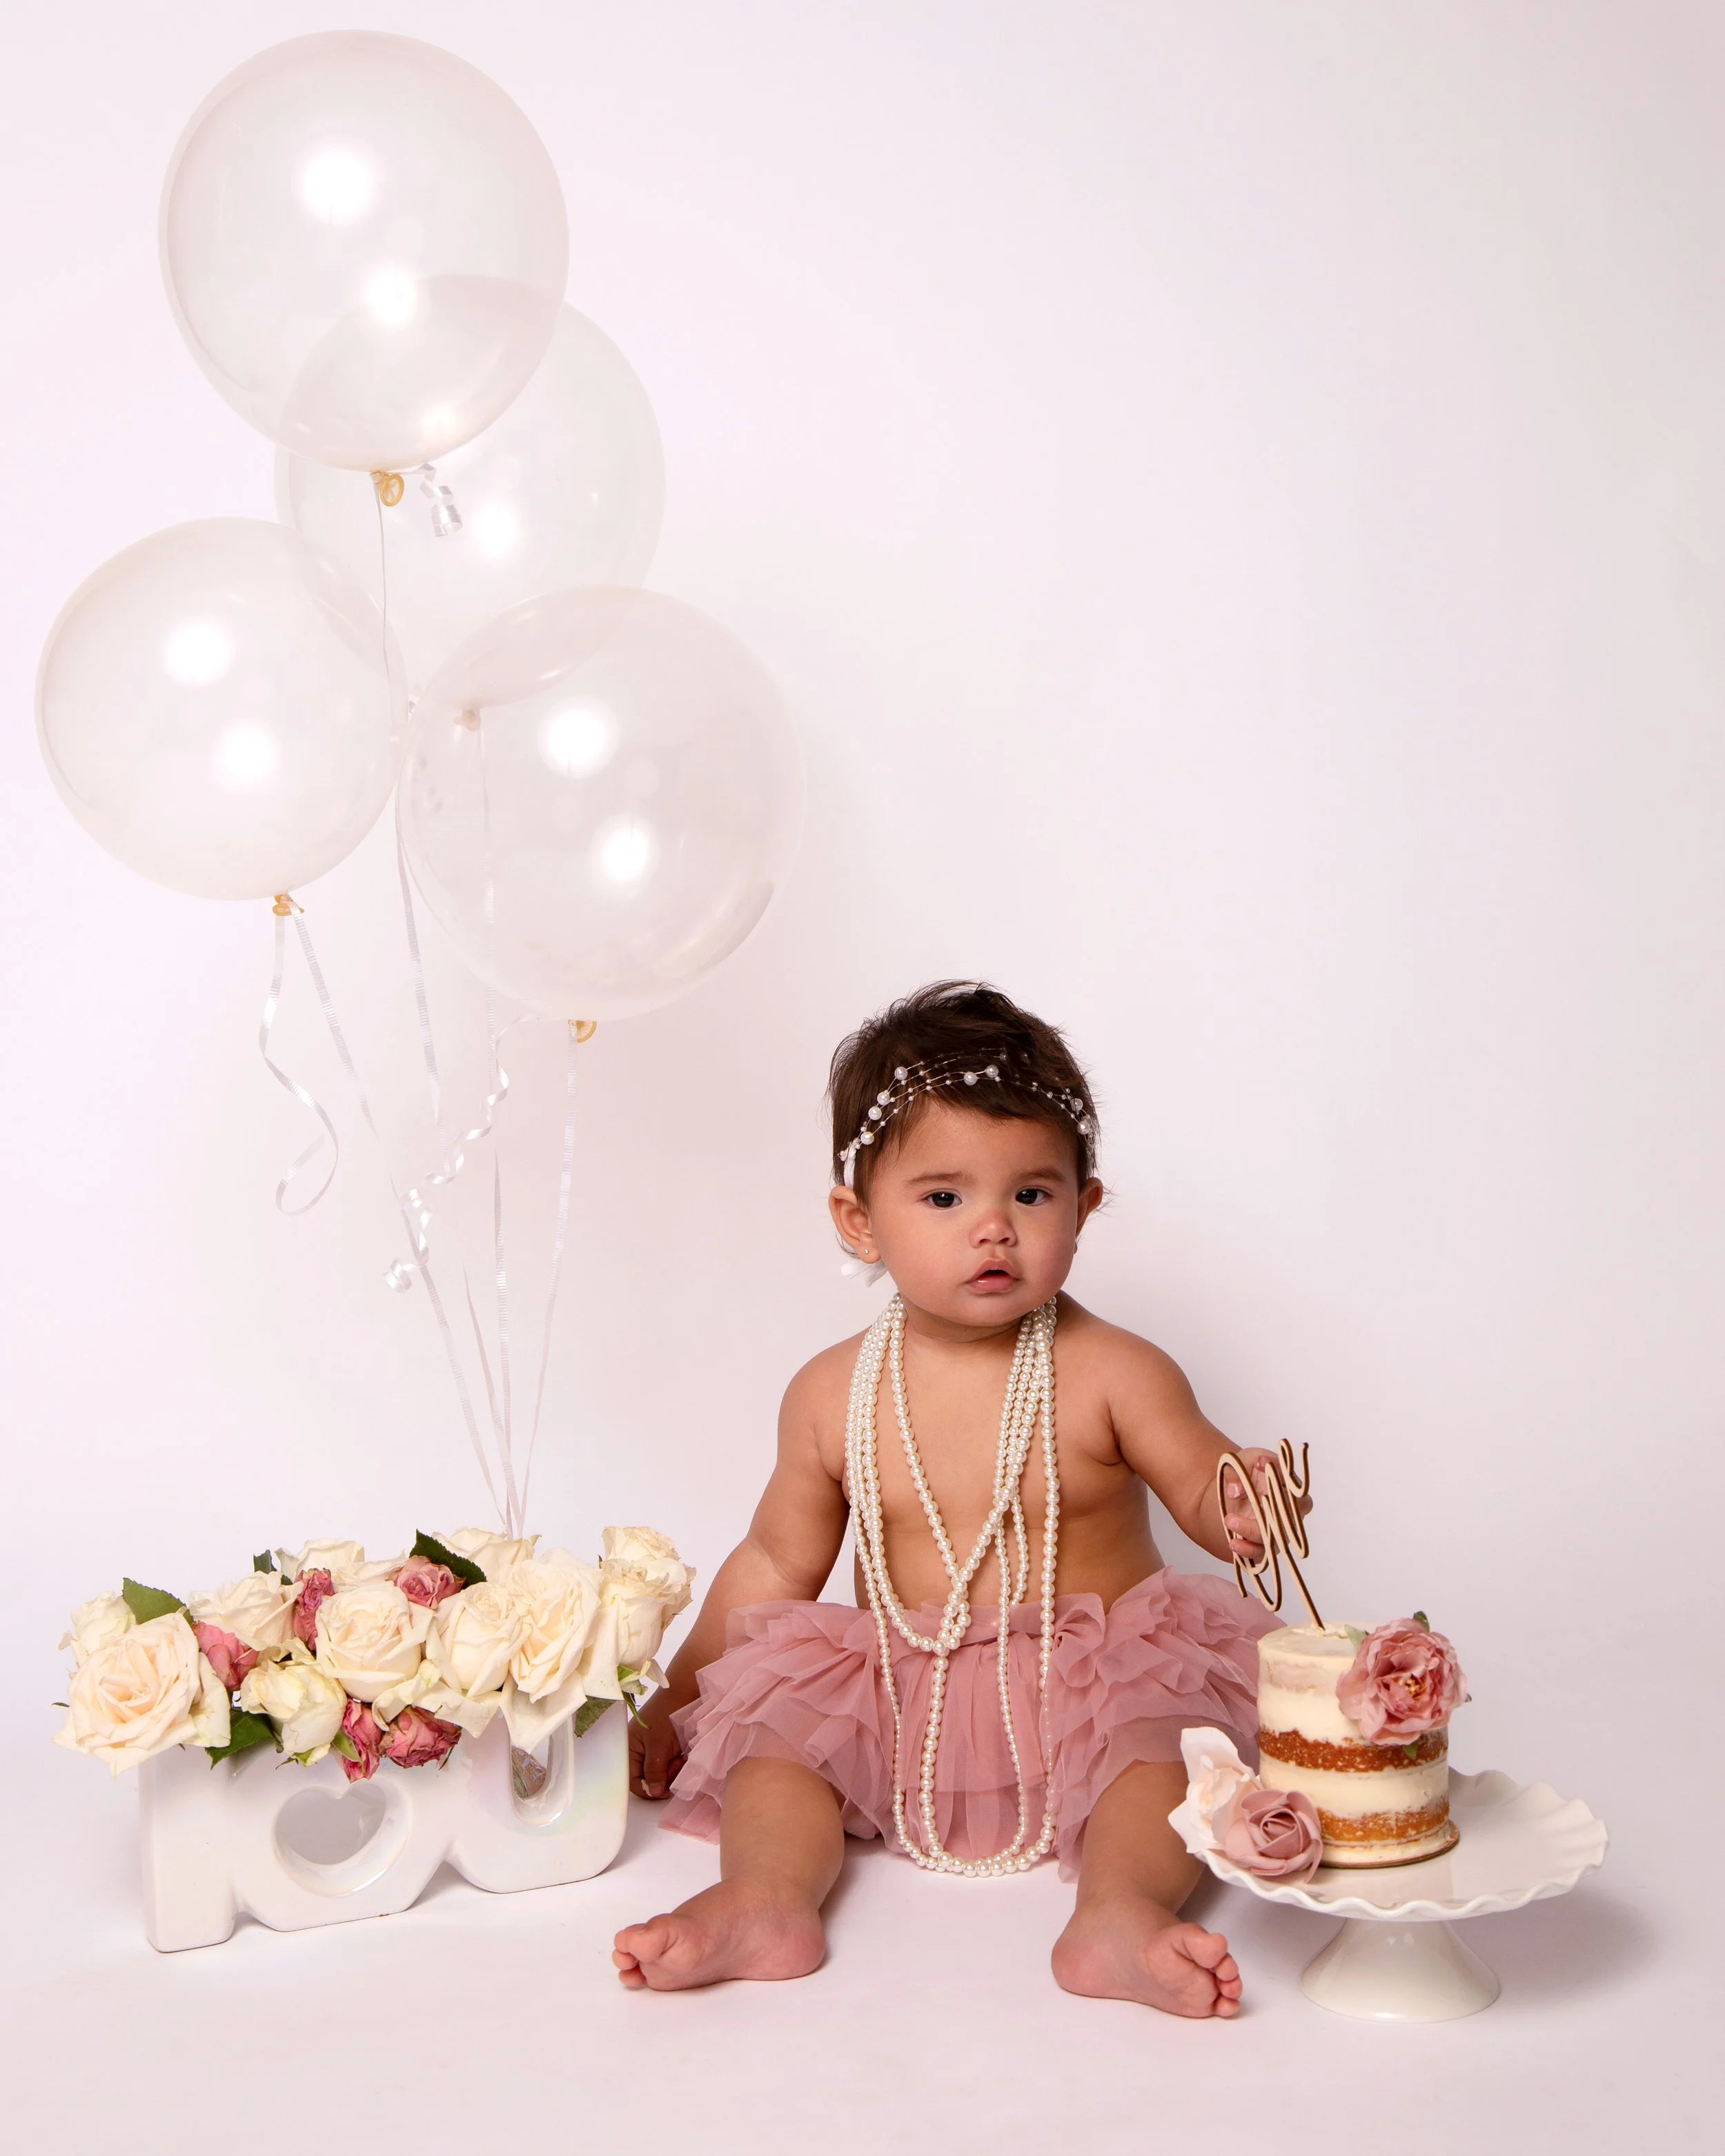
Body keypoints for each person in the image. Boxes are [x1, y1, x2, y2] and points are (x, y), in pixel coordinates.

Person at [614, 981, 1294, 2017]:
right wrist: (679, 1694)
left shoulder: (1115, 1370)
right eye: (944, 1198)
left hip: (1095, 1683)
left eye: (1031, 1195)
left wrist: (1239, 1502)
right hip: (902, 1684)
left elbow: (1202, 1481)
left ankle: (1116, 1916)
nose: (994, 1229)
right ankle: (764, 1899)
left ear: (1084, 1204)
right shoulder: (832, 1393)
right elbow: (773, 1562)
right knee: (778, 1748)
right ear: (860, 1221)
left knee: (1168, 1762)